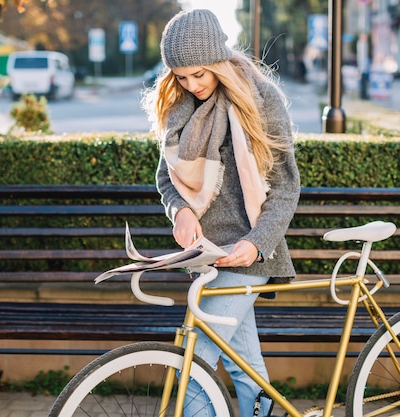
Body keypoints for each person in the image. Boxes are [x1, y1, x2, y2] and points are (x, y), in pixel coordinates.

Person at [142, 9, 300, 417]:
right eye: (180, 76)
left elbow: (285, 188)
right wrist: (179, 211)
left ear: (218, 62)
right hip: (207, 258)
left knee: (193, 364)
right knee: (245, 369)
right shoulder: (179, 106)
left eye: (199, 74)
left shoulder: (260, 100)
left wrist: (257, 244)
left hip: (248, 256)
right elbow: (167, 179)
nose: (190, 85)